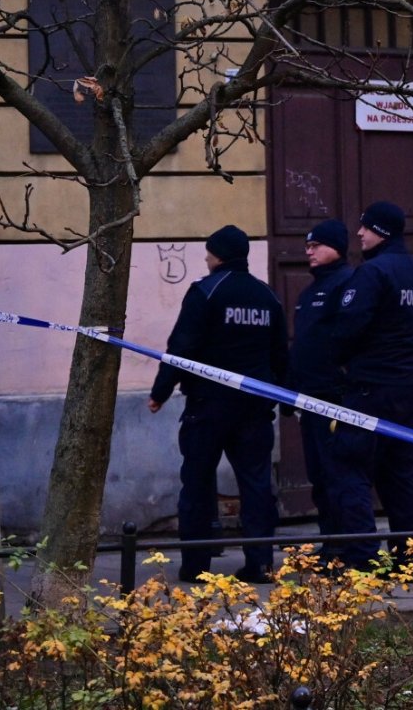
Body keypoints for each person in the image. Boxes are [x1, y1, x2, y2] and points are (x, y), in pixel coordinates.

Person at [148, 225, 288, 584]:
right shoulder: (267, 297)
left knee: (196, 483)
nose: (206, 258)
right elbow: (280, 354)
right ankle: (260, 563)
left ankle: (195, 566)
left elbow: (181, 348)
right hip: (255, 408)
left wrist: (161, 391)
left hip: (208, 406)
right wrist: (287, 398)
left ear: (219, 255)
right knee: (257, 485)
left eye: (209, 252)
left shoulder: (205, 292)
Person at [328, 200, 413, 566]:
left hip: (369, 387)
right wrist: (405, 337)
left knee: (350, 468)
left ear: (381, 231)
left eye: (365, 228)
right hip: (407, 386)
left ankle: (362, 559)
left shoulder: (372, 273)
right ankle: (407, 561)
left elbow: (347, 329)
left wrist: (346, 358)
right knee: (400, 474)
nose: (360, 234)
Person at [287, 219, 354, 548]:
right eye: (307, 246)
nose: (308, 251)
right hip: (309, 397)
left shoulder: (348, 285)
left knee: (336, 475)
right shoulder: (310, 289)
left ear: (336, 248)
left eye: (316, 246)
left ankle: (341, 547)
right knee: (319, 476)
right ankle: (330, 541)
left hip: (334, 397)